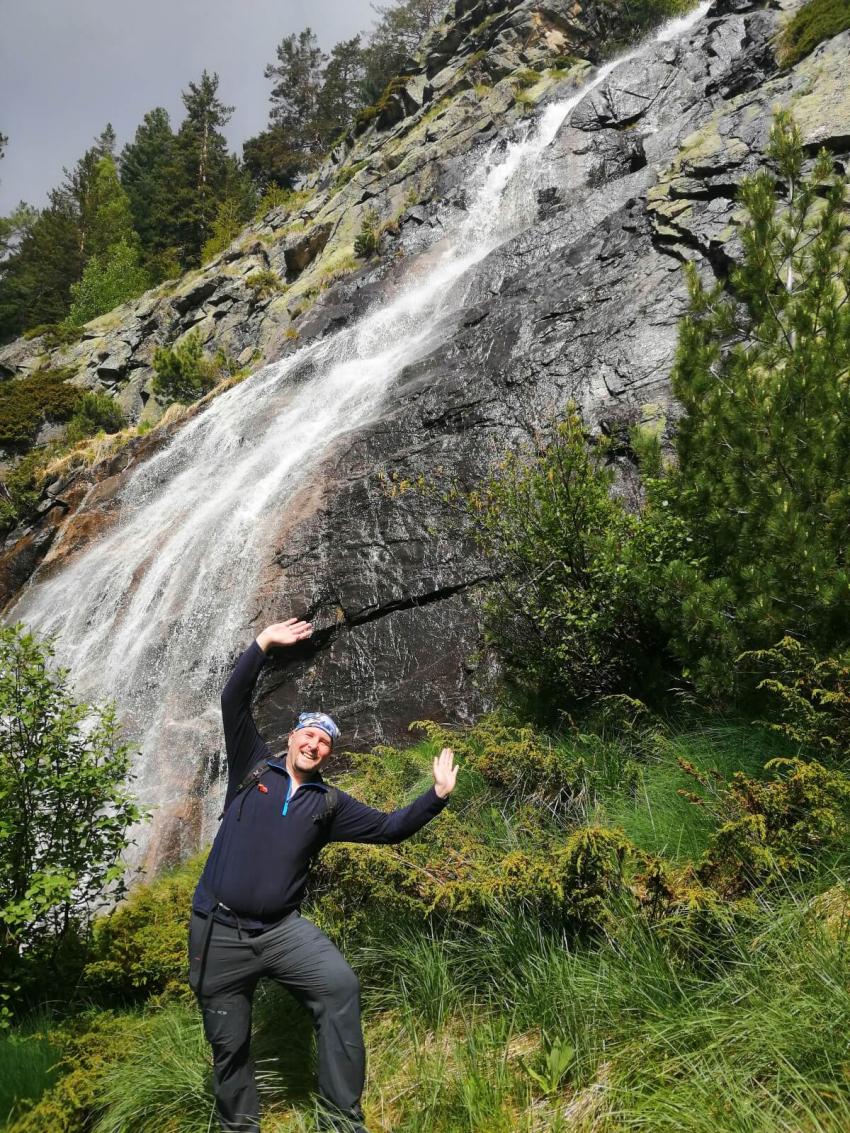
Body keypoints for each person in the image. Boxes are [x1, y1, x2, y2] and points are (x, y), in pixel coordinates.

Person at [189, 616, 458, 1133]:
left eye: (325, 742)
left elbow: (388, 829)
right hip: (218, 931)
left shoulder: (329, 803)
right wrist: (264, 643)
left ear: (329, 753)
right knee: (229, 1043)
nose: (314, 745)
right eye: (308, 735)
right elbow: (232, 700)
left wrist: (436, 798)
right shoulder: (252, 767)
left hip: (283, 931)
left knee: (339, 989)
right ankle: (238, 1126)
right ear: (291, 738)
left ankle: (340, 1120)